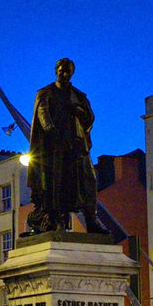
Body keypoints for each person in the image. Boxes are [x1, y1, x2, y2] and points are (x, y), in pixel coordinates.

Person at [27, 58, 107, 235]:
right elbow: (43, 116)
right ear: (56, 71)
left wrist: (78, 111)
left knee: (89, 181)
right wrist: (53, 133)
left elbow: (89, 119)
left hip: (78, 145)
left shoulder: (79, 96)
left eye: (68, 71)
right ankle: (55, 220)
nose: (65, 74)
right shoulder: (46, 92)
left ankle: (91, 221)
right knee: (56, 185)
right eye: (62, 70)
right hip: (55, 147)